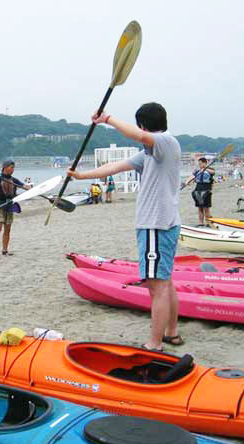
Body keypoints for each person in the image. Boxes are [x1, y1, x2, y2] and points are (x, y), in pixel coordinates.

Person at [68, 102, 182, 351]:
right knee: (165, 281)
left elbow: (139, 135)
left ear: (143, 124)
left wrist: (107, 119)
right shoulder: (151, 152)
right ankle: (172, 333)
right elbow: (115, 167)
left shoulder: (163, 142)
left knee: (157, 285)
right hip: (162, 223)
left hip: (156, 225)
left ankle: (155, 343)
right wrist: (81, 176)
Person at [0, 160, 29, 257]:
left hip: (10, 205)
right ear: (5, 167)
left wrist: (31, 188)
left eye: (13, 168)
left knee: (7, 229)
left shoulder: (14, 180)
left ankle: (5, 250)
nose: (13, 170)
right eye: (11, 167)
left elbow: (24, 186)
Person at [184, 157, 214, 227]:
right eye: (199, 164)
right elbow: (191, 176)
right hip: (198, 190)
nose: (199, 165)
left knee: (206, 208)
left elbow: (213, 172)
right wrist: (187, 182)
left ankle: (208, 222)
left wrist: (205, 168)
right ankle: (201, 223)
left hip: (206, 190)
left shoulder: (210, 169)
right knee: (200, 208)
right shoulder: (197, 171)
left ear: (205, 163)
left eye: (200, 163)